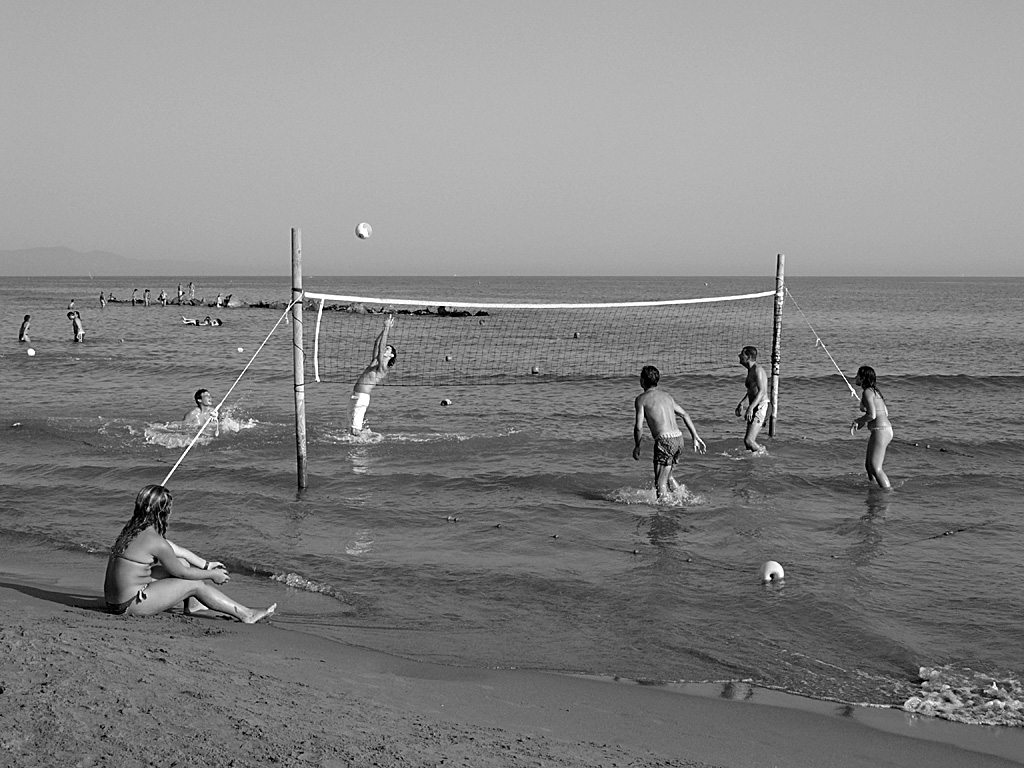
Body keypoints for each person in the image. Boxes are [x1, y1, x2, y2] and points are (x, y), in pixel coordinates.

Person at [104, 484, 276, 623]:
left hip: (115, 599)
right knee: (195, 584)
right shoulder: (156, 541)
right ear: (163, 513)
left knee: (183, 563)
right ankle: (246, 614)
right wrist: (212, 574)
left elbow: (178, 554)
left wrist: (206, 564)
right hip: (129, 604)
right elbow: (182, 573)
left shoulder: (131, 531)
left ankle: (193, 605)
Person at [632, 364, 707, 498]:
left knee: (659, 482)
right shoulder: (667, 396)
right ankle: (684, 497)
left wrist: (637, 446)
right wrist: (695, 436)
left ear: (642, 381)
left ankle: (664, 511)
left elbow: (638, 427)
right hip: (678, 439)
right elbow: (684, 414)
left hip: (665, 441)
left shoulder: (641, 399)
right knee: (668, 476)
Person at [348, 315, 396, 435]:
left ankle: (367, 443)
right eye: (386, 347)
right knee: (349, 430)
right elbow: (377, 344)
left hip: (362, 397)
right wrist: (384, 329)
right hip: (355, 396)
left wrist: (387, 329)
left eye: (388, 349)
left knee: (354, 431)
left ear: (391, 356)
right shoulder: (374, 361)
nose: (386, 348)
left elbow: (380, 349)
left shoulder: (383, 367)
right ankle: (369, 435)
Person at [851, 365, 892, 490]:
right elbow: (884, 412)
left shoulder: (867, 392)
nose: (855, 377)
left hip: (881, 431)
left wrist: (858, 420)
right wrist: (864, 421)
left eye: (857, 375)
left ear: (863, 378)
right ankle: (873, 489)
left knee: (875, 468)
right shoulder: (875, 392)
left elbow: (872, 415)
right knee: (869, 466)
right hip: (882, 430)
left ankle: (888, 493)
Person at [735, 345, 769, 452]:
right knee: (747, 444)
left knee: (749, 440)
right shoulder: (750, 370)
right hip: (755, 406)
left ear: (748, 357)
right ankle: (751, 464)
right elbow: (751, 390)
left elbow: (762, 391)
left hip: (761, 406)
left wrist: (750, 408)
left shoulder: (757, 370)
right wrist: (742, 403)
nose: (739, 356)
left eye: (742, 354)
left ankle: (764, 455)